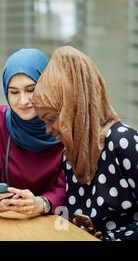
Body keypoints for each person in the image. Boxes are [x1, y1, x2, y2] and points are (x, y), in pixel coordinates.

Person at [32, 45, 138, 241]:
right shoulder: (71, 155)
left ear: (73, 109)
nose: (48, 130)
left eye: (51, 118)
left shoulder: (124, 142)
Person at [0, 48, 65, 216]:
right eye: (14, 92)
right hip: (8, 221)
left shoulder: (66, 125)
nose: (23, 101)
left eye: (31, 89)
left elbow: (68, 186)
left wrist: (43, 203)